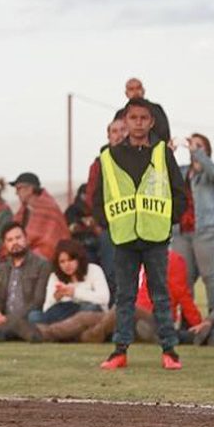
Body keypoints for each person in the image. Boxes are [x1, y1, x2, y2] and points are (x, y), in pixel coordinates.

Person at [92, 97, 187, 371]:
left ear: (152, 121)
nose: (138, 123)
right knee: (124, 296)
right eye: (133, 118)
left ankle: (170, 351)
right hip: (123, 237)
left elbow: (179, 193)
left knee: (160, 294)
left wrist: (168, 220)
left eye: (143, 118)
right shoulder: (108, 156)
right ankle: (119, 351)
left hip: (155, 235)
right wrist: (108, 224)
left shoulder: (162, 152)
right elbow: (98, 196)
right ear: (125, 121)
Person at [172, 133, 214, 314]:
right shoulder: (182, 171)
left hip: (206, 230)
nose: (194, 148)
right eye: (192, 145)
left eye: (199, 145)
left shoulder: (212, 171)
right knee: (184, 278)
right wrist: (168, 153)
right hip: (181, 231)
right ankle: (189, 319)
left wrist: (200, 154)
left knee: (209, 275)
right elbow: (165, 176)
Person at [0, 222, 51, 342]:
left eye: (18, 238)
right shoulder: (2, 268)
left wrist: (8, 319)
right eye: (10, 240)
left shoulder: (42, 265)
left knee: (35, 317)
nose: (15, 243)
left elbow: (38, 301)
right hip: (5, 319)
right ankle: (0, 332)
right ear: (5, 244)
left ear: (26, 239)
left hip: (26, 318)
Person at [85, 118, 129, 301]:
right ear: (108, 136)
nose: (119, 135)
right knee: (111, 272)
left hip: (138, 226)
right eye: (115, 131)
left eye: (122, 130)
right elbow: (93, 196)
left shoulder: (142, 156)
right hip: (111, 227)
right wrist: (105, 221)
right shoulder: (101, 163)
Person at [34, 239, 109, 341]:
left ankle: (58, 334)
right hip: (64, 314)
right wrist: (56, 297)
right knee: (34, 316)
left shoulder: (94, 269)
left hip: (86, 313)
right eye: (62, 262)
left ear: (79, 259)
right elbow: (46, 309)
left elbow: (104, 298)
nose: (67, 265)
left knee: (89, 309)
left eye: (70, 260)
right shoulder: (55, 276)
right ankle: (70, 335)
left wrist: (74, 293)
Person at [11, 173, 71, 261]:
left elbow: (50, 242)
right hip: (26, 254)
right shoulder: (23, 211)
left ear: (30, 189)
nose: (16, 193)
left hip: (46, 258)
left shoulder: (49, 208)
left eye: (19, 188)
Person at [114, 78, 170, 143]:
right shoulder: (120, 114)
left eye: (138, 88)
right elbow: (115, 136)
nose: (135, 92)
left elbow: (164, 134)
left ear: (143, 91)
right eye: (131, 89)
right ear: (126, 93)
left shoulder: (156, 109)